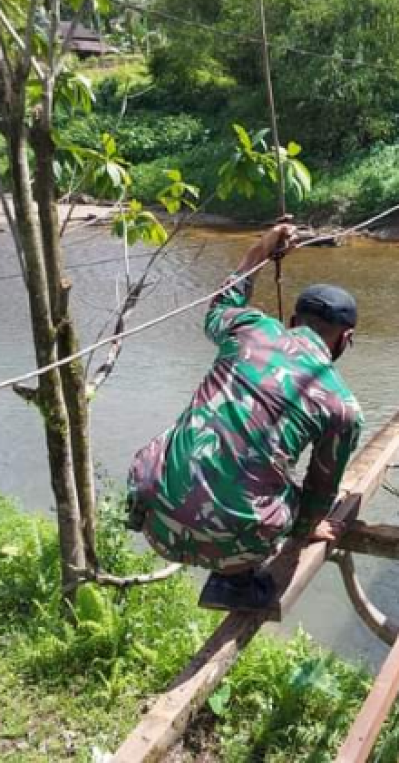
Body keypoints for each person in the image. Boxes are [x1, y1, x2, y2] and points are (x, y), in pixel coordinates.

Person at [125, 225, 364, 611]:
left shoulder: (250, 328)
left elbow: (221, 303)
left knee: (191, 431)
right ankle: (234, 584)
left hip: (156, 523)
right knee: (289, 488)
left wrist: (262, 247)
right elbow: (321, 492)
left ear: (292, 320)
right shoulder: (342, 406)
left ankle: (161, 512)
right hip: (236, 547)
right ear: (346, 338)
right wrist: (306, 528)